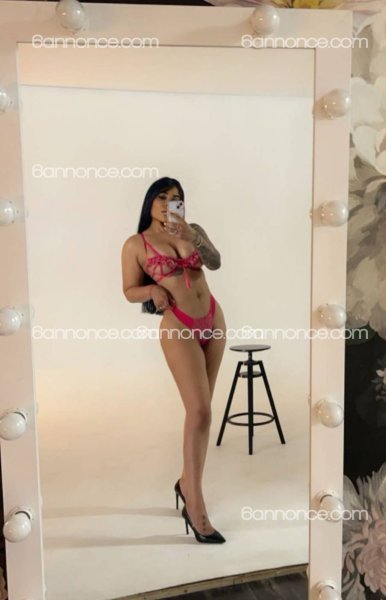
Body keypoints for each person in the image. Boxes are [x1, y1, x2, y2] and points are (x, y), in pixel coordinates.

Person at [121, 177, 227, 543]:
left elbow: (215, 262)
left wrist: (191, 235)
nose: (169, 204)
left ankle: (187, 483)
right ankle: (195, 503)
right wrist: (152, 289)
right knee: (199, 411)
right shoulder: (136, 244)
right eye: (162, 198)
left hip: (213, 319)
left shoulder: (192, 230)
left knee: (203, 414)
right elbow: (128, 290)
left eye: (176, 198)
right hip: (178, 325)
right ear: (150, 202)